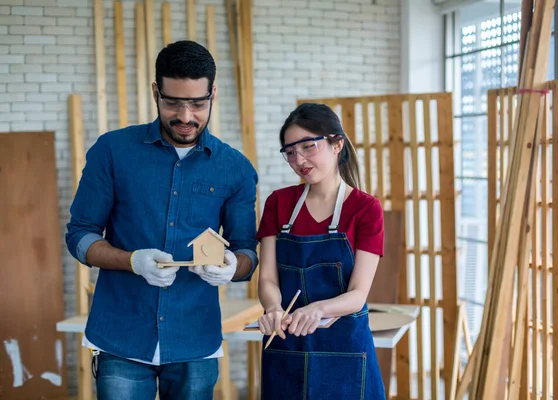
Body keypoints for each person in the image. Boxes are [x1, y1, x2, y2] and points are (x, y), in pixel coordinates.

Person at [65, 40, 258, 400]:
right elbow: (79, 235)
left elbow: (247, 251)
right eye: (173, 102)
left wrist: (233, 266)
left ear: (213, 93)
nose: (185, 116)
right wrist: (131, 261)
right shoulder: (112, 151)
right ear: (156, 92)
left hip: (195, 340)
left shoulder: (235, 168)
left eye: (198, 103)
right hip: (121, 335)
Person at [256, 103, 386, 399]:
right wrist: (274, 308)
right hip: (286, 345)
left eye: (308, 146)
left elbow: (358, 295)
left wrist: (318, 309)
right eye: (290, 151)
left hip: (346, 353)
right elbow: (267, 279)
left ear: (337, 143)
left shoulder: (366, 209)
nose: (298, 159)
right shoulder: (278, 203)